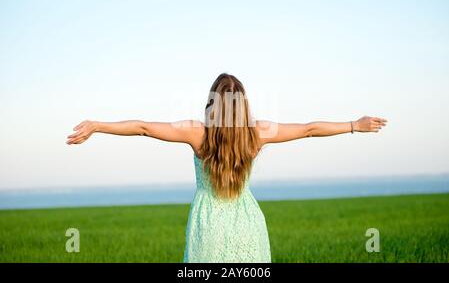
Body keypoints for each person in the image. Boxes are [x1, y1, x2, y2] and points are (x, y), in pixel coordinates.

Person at [66, 73, 387, 262]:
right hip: (248, 223)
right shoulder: (258, 132)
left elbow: (143, 127)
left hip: (208, 225)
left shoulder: (197, 132)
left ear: (212, 102)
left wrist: (97, 125)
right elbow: (308, 129)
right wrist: (353, 125)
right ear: (243, 103)